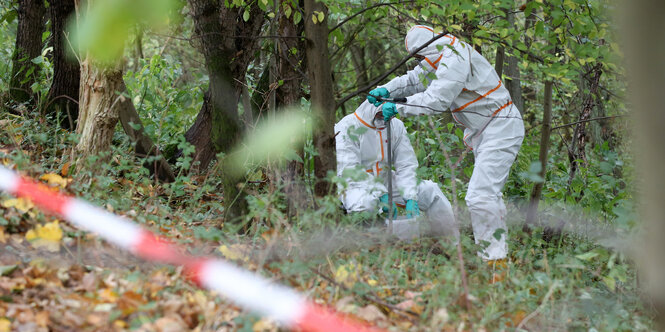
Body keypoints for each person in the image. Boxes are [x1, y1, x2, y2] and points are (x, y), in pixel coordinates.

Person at [367, 25, 524, 261]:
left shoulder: (455, 57)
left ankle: (495, 264)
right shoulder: (441, 55)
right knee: (489, 196)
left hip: (501, 126)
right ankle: (496, 260)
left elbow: (436, 100)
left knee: (480, 196)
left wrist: (397, 107)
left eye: (420, 56)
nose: (421, 61)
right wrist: (387, 89)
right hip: (486, 130)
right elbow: (415, 79)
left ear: (429, 48)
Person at [335, 100, 458, 240]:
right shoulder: (347, 126)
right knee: (366, 203)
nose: (387, 119)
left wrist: (410, 196)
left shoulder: (396, 126)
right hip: (354, 185)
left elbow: (406, 164)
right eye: (382, 115)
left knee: (431, 191)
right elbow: (349, 169)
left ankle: (448, 243)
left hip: (386, 179)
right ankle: (369, 249)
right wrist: (380, 193)